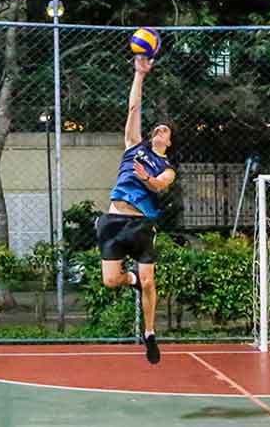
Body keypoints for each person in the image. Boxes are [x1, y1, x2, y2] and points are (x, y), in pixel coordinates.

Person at [95, 56, 176, 365]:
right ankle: (131, 280)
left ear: (168, 142)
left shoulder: (167, 167)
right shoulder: (133, 146)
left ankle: (150, 334)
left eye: (165, 130)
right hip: (114, 220)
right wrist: (139, 74)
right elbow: (134, 107)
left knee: (150, 281)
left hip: (142, 225)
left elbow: (161, 185)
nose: (160, 129)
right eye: (157, 127)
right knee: (111, 281)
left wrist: (148, 179)